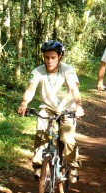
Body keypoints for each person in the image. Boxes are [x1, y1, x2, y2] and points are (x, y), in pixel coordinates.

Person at [17, 40, 84, 182]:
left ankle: (72, 166)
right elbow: (30, 89)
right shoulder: (38, 71)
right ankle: (39, 167)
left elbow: (74, 88)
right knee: (41, 134)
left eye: (53, 57)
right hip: (47, 109)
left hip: (67, 109)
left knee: (67, 139)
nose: (49, 61)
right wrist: (24, 103)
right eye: (47, 57)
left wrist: (78, 106)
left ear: (60, 56)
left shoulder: (68, 70)